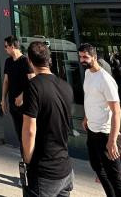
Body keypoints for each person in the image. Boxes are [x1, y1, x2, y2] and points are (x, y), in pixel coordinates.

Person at [21, 41, 74, 196]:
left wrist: (28, 161)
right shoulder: (66, 86)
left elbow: (29, 130)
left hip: (44, 173)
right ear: (49, 60)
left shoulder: (33, 86)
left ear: (29, 61)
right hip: (66, 168)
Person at [79, 43, 121, 197]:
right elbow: (91, 97)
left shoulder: (105, 79)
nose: (82, 60)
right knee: (97, 167)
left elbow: (117, 111)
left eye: (85, 57)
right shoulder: (88, 73)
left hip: (105, 134)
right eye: (80, 57)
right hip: (92, 130)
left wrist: (112, 141)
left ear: (94, 57)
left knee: (115, 176)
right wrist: (86, 117)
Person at [2, 36, 34, 142]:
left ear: (12, 46)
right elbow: (6, 81)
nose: (5, 49)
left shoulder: (25, 61)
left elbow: (33, 82)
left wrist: (22, 96)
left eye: (6, 46)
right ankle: (23, 152)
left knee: (28, 135)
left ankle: (30, 153)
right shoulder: (8, 61)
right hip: (13, 104)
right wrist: (3, 99)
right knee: (19, 133)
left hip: (25, 105)